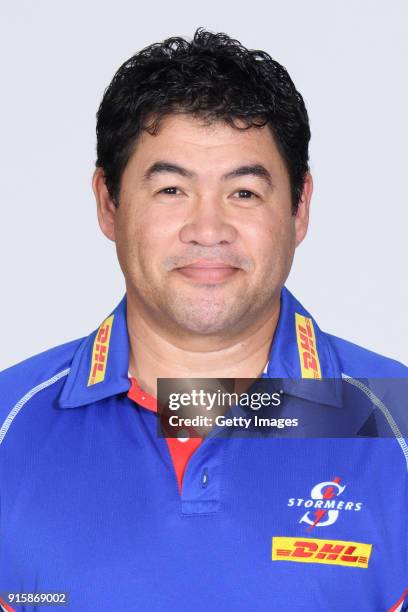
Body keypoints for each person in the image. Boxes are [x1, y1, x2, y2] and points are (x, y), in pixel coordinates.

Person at [0, 27, 407, 612]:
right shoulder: (11, 424)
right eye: (171, 189)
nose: (208, 229)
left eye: (244, 192)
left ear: (299, 210)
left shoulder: (395, 425)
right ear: (108, 203)